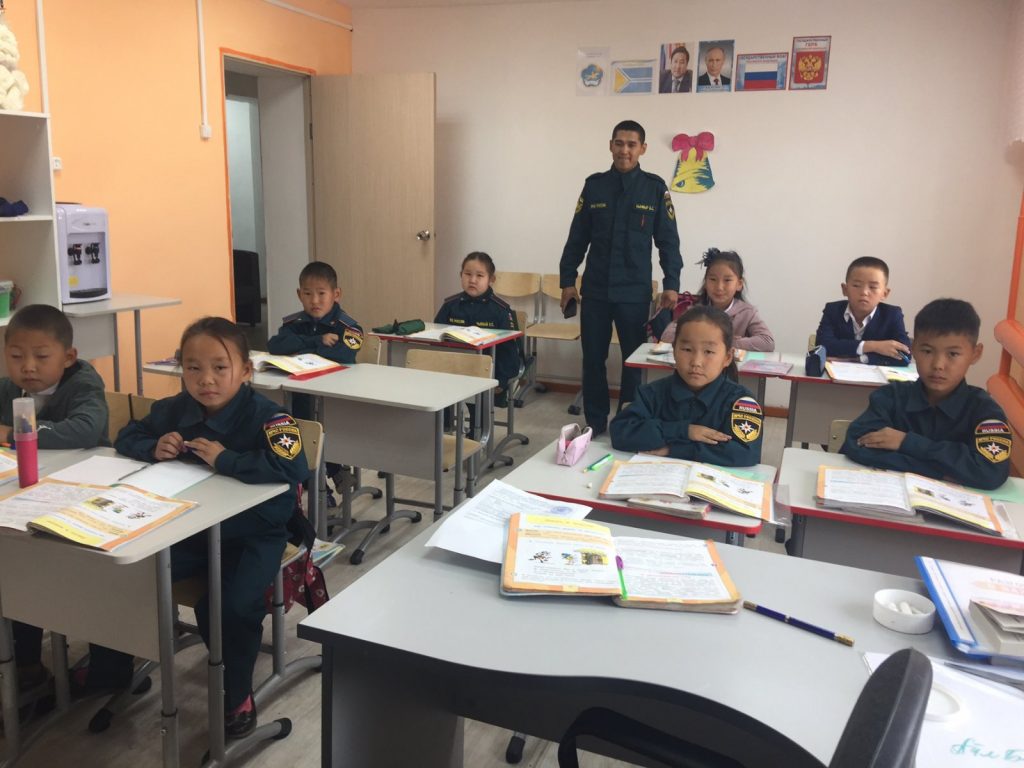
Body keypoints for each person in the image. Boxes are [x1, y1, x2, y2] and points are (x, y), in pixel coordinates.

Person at [115, 317, 309, 738]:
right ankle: (108, 668)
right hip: (188, 528)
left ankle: (236, 693)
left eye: (220, 367)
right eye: (193, 368)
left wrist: (226, 460)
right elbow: (126, 435)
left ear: (245, 370)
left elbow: (294, 468)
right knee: (123, 571)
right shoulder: (174, 410)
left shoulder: (270, 417)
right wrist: (152, 446)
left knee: (231, 606)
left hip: (254, 532)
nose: (206, 379)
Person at [0, 304, 136, 697]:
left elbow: (85, 430)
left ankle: (109, 670)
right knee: (17, 565)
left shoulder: (83, 383)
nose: (28, 367)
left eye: (41, 356)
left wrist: (11, 433)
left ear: (68, 356)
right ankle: (26, 664)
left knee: (91, 577)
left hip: (86, 495)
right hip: (29, 496)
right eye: (16, 356)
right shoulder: (8, 389)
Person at [559, 119, 682, 436]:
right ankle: (596, 423)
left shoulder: (654, 189)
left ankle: (629, 421)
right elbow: (577, 238)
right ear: (610, 145)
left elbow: (668, 241)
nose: (624, 150)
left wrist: (672, 284)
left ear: (643, 149)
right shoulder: (594, 186)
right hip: (596, 291)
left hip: (634, 293)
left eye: (631, 144)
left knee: (634, 361)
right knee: (592, 360)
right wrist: (567, 280)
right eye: (619, 143)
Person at [842, 299, 1010, 490]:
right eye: (927, 351)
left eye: (953, 354)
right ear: (913, 348)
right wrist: (944, 472)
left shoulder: (985, 410)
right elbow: (856, 445)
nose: (938, 365)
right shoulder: (890, 396)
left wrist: (906, 442)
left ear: (975, 354)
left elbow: (990, 472)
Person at [610, 306, 762, 465]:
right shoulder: (651, 393)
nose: (696, 362)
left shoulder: (741, 401)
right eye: (687, 349)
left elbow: (746, 453)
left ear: (728, 357)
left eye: (709, 352)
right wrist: (685, 430)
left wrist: (674, 450)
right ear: (674, 350)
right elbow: (620, 432)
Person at [267, 260, 363, 419]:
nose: (314, 301)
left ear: (336, 295)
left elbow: (345, 355)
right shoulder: (294, 323)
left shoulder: (349, 327)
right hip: (300, 394)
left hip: (337, 397)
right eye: (307, 294)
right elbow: (275, 346)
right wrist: (316, 340)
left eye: (321, 293)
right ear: (299, 295)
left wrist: (299, 351)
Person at [435, 251, 521, 408]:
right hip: (451, 371)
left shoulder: (500, 310)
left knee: (478, 409)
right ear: (461, 275)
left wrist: (501, 380)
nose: (472, 280)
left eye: (480, 275)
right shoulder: (450, 305)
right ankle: (445, 423)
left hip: (486, 375)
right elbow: (436, 340)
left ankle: (477, 425)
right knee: (441, 404)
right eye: (467, 274)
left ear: (491, 279)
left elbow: (509, 351)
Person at [657, 248, 774, 351]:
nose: (719, 287)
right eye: (713, 279)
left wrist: (725, 343)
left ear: (739, 284)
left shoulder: (747, 313)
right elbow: (667, 336)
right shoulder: (696, 311)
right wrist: (703, 340)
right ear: (705, 283)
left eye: (727, 280)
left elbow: (767, 342)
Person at [815, 256, 911, 366]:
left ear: (885, 293)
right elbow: (822, 346)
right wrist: (873, 346)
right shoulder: (833, 310)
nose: (864, 292)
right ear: (845, 289)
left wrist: (859, 359)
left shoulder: (892, 315)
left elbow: (905, 356)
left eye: (873, 287)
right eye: (856, 285)